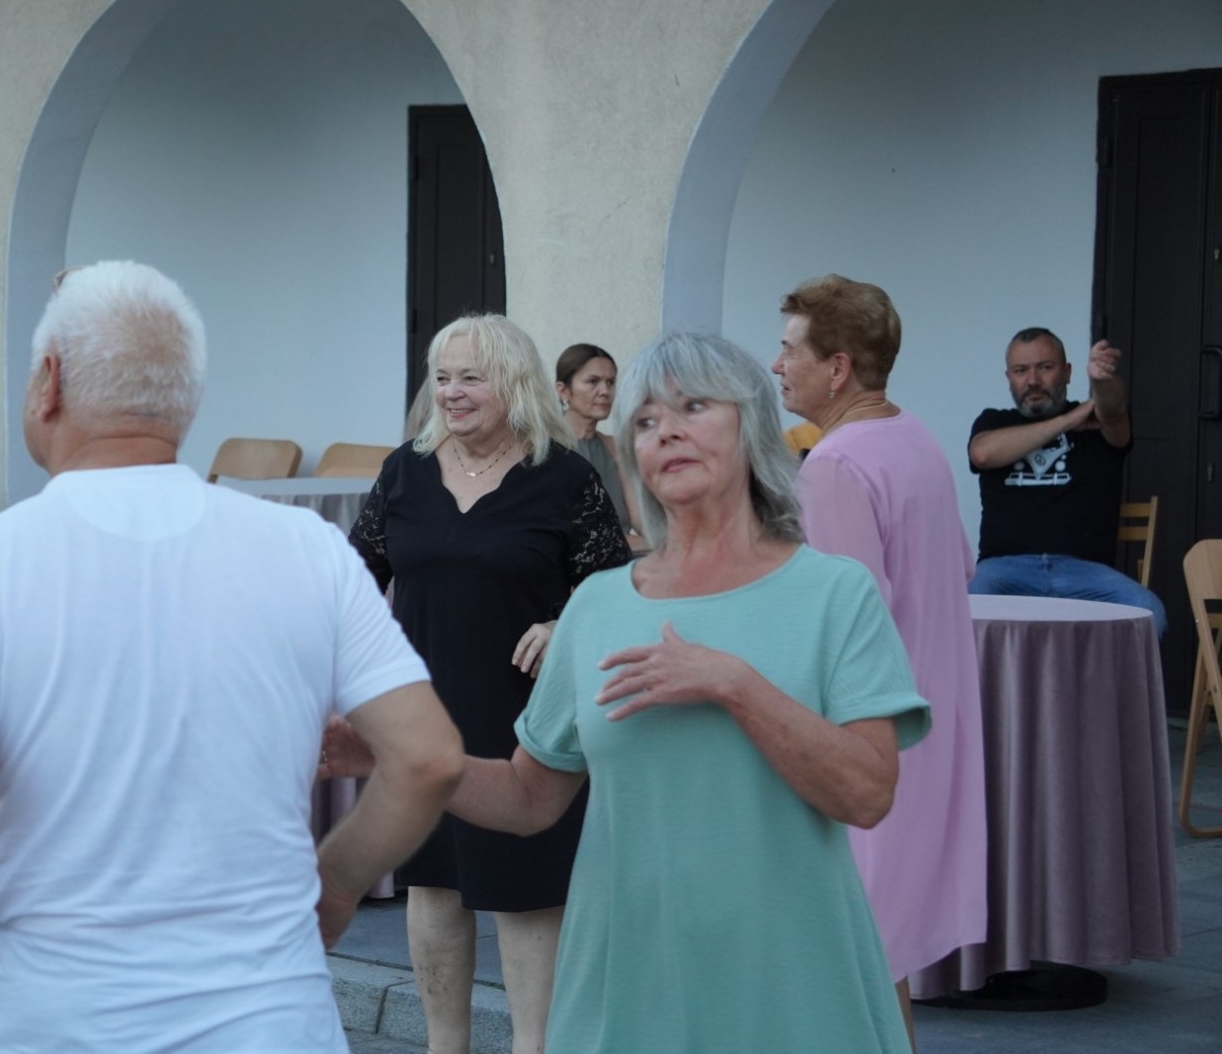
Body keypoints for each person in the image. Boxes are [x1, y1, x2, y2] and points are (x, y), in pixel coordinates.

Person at [0, 261, 465, 1052]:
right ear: (185, 400)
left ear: (49, 383)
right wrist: (336, 884)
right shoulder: (308, 548)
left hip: (52, 1023)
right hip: (272, 1021)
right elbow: (428, 759)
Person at [331, 331, 928, 1051]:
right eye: (645, 419)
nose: (665, 429)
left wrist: (734, 685)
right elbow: (527, 799)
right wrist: (391, 754)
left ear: (752, 427)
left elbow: (866, 793)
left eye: (693, 407)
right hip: (624, 985)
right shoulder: (600, 606)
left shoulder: (834, 594)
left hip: (788, 982)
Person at [348, 314, 630, 1054]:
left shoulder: (564, 477)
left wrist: (567, 623)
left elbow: (615, 589)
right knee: (434, 883)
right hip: (425, 713)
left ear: (513, 383)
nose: (451, 392)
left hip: (527, 720)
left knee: (526, 893)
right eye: (442, 377)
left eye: (470, 377)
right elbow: (353, 578)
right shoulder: (404, 471)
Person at [772, 274, 988, 1038]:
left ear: (837, 368)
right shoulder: (914, 436)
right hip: (925, 727)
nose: (776, 365)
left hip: (867, 742)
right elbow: (958, 566)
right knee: (876, 959)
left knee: (847, 959)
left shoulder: (836, 464)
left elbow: (839, 626)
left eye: (790, 349)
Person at [966, 328, 1165, 632]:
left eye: (1045, 367)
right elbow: (982, 454)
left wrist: (1101, 380)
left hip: (1087, 574)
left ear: (1068, 372)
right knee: (964, 612)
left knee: (1150, 614)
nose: (1033, 380)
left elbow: (1113, 410)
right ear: (1009, 377)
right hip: (1004, 571)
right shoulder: (994, 421)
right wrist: (1068, 421)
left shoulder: (1097, 422)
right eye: (1021, 370)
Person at [555, 343, 644, 548]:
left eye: (610, 382)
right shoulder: (545, 447)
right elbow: (574, 535)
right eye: (592, 381)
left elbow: (642, 519)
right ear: (564, 391)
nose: (605, 391)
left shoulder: (614, 446)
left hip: (625, 557)